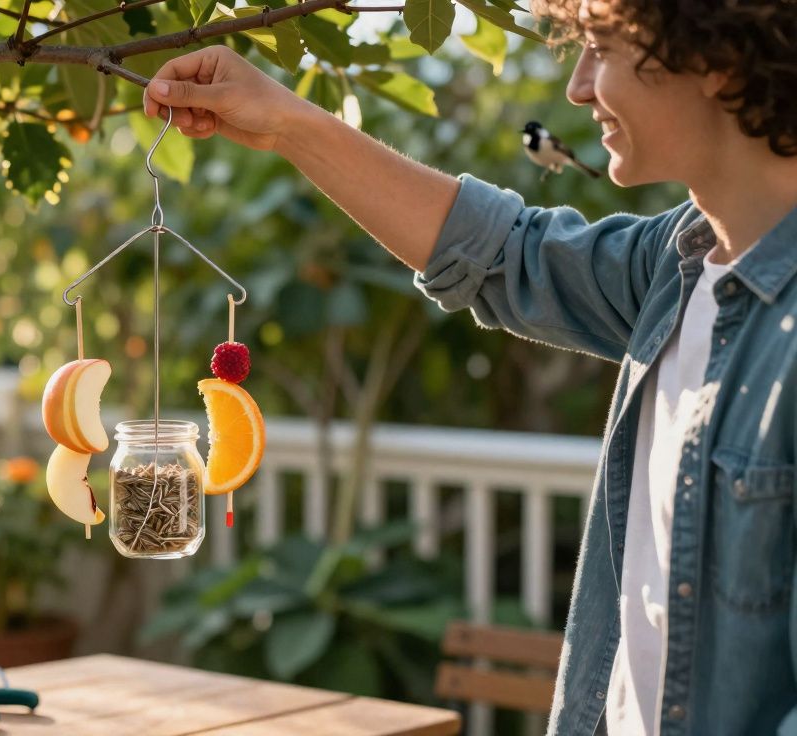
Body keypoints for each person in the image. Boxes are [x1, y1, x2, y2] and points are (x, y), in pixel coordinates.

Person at [142, 0, 797, 732]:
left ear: (718, 60)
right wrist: (289, 122)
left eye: (604, 49)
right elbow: (501, 253)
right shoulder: (677, 267)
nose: (578, 89)